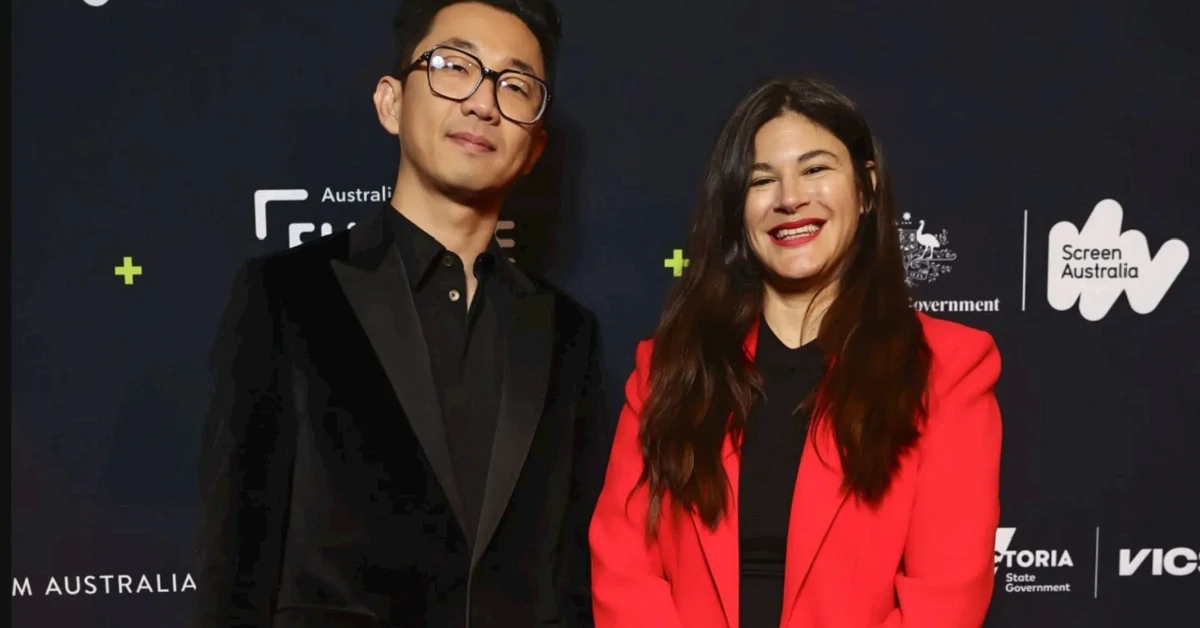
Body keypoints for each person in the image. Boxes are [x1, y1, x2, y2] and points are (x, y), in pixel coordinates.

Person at [194, 1, 609, 626]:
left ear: (534, 148)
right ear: (391, 102)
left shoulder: (568, 334)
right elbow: (236, 562)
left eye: (515, 85)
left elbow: (569, 577)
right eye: (453, 66)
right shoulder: (285, 294)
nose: (482, 102)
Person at [589, 77, 1002, 628]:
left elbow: (943, 600)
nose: (789, 198)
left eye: (815, 169)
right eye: (762, 180)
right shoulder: (670, 369)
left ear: (865, 189)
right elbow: (624, 574)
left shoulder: (949, 367)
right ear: (739, 209)